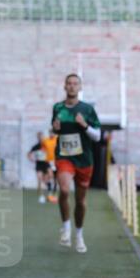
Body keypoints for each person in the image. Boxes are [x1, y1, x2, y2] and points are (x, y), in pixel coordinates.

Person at [51, 74, 101, 253]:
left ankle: (79, 234)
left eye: (75, 84)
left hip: (84, 159)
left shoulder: (87, 109)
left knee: (80, 201)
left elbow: (98, 136)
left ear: (80, 87)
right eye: (69, 83)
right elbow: (55, 130)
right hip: (64, 157)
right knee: (64, 190)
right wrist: (55, 129)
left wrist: (84, 125)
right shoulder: (57, 107)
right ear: (64, 86)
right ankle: (66, 227)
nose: (72, 87)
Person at [27, 130, 57, 204]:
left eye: (42, 137)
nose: (41, 138)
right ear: (38, 138)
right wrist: (31, 159)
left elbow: (51, 150)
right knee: (39, 179)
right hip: (39, 165)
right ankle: (41, 196)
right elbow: (29, 154)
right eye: (39, 137)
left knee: (50, 176)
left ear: (43, 137)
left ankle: (49, 191)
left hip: (46, 163)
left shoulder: (47, 144)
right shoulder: (36, 146)